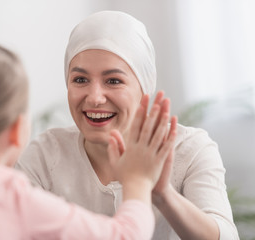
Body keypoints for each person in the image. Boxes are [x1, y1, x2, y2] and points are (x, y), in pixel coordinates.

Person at [0, 39, 177, 240]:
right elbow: (124, 235)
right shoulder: (14, 200)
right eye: (80, 80)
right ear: (18, 130)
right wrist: (138, 181)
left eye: (113, 81)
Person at [16, 11, 239, 239]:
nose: (94, 97)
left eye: (113, 81)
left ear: (144, 87)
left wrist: (163, 194)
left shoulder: (190, 149)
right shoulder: (44, 154)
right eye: (80, 80)